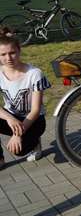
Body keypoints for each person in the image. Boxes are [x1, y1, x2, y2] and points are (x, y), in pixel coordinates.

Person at [0, 27, 49, 167]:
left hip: (33, 120)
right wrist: (9, 118)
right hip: (13, 117)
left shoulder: (34, 73)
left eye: (12, 53)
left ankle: (35, 142)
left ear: (19, 51)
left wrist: (17, 135)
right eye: (3, 54)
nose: (8, 58)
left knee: (19, 150)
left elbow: (35, 110)